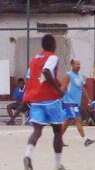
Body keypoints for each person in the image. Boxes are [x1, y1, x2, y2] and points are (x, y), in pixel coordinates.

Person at [23, 34, 66, 170]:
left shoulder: (33, 59)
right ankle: (58, 165)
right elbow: (46, 71)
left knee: (37, 131)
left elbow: (29, 78)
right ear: (53, 44)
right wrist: (58, 89)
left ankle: (28, 156)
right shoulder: (52, 57)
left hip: (36, 100)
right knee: (57, 131)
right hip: (51, 99)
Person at [60, 59, 95, 147]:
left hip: (76, 102)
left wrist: (88, 98)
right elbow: (63, 88)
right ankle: (85, 139)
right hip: (69, 102)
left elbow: (82, 88)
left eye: (79, 64)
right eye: (77, 64)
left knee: (67, 121)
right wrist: (57, 98)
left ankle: (58, 138)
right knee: (78, 119)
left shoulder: (80, 75)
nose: (79, 66)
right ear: (72, 64)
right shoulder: (68, 76)